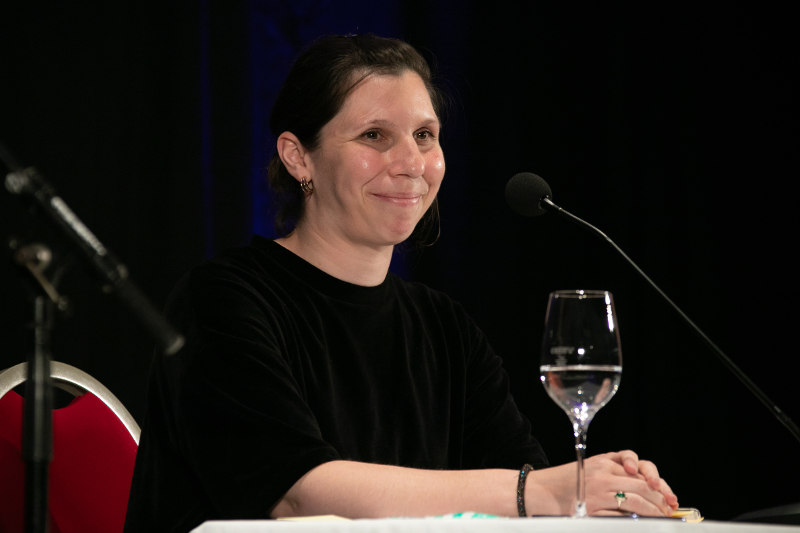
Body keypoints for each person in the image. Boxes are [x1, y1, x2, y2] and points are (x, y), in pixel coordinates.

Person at [124, 33, 678, 532]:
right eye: (374, 135)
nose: (412, 162)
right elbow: (296, 496)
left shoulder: (445, 327)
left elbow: (521, 486)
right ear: (298, 158)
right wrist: (544, 491)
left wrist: (599, 491)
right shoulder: (221, 301)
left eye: (424, 135)